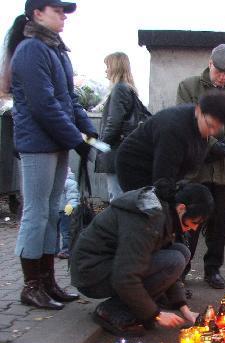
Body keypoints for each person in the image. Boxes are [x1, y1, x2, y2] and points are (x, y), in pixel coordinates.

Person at [0, 0, 97, 311]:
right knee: (36, 212)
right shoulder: (31, 50)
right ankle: (32, 285)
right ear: (37, 14)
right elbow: (43, 105)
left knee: (52, 211)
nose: (63, 17)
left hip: (55, 142)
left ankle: (47, 281)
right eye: (57, 11)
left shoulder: (56, 50)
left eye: (64, 12)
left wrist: (87, 130)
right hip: (37, 144)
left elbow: (68, 99)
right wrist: (76, 139)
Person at [70, 182, 214, 336]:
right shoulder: (148, 218)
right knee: (175, 259)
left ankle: (139, 305)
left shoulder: (166, 212)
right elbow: (125, 276)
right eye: (194, 222)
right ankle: (112, 310)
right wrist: (155, 314)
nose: (194, 228)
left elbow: (161, 263)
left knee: (181, 251)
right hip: (91, 273)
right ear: (181, 208)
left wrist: (183, 308)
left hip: (111, 265)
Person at [176, 44, 225, 289]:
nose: (222, 77)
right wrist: (211, 145)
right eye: (219, 71)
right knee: (188, 221)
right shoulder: (189, 87)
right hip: (195, 168)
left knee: (219, 224)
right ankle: (180, 270)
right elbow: (186, 119)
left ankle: (213, 270)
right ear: (210, 63)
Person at [116, 90, 225, 194]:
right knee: (151, 205)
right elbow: (163, 179)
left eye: (217, 128)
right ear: (198, 111)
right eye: (210, 125)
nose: (212, 132)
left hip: (160, 164)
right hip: (134, 167)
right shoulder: (174, 130)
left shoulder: (200, 126)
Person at [96, 52, 143, 202]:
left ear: (115, 67)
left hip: (116, 151)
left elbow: (114, 123)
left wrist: (101, 145)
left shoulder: (119, 89)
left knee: (117, 199)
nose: (105, 70)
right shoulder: (129, 90)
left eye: (107, 66)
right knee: (125, 197)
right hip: (125, 150)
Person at [55, 167, 78, 259]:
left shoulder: (69, 183)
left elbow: (73, 196)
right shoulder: (55, 182)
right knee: (54, 232)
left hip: (65, 212)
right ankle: (54, 250)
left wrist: (71, 206)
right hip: (55, 210)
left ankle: (66, 250)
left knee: (66, 232)